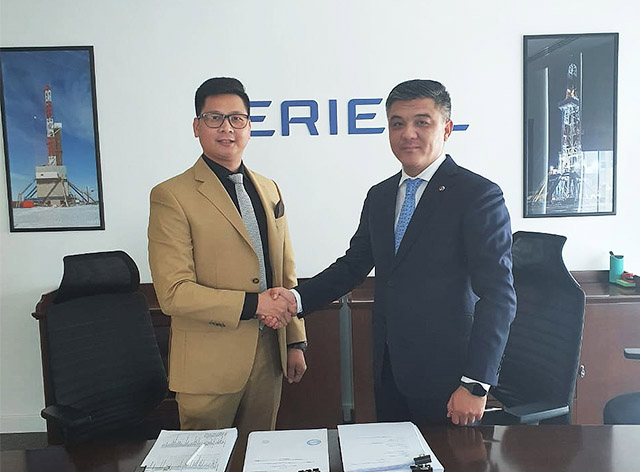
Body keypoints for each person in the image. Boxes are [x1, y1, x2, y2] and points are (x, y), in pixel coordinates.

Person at [268, 79, 516, 426]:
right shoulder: (381, 195)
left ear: (446, 128)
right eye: (397, 123)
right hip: (390, 369)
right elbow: (353, 265)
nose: (408, 133)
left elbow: (499, 295)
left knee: (451, 456)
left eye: (421, 122)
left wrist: (475, 383)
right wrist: (295, 300)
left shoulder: (477, 195)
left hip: (450, 377)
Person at [148, 77, 307, 437]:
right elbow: (173, 293)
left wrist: (295, 341)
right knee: (205, 459)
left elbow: (285, 271)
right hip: (208, 365)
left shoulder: (268, 188)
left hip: (269, 354)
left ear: (249, 126)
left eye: (237, 118)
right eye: (214, 118)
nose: (227, 128)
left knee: (259, 455)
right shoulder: (171, 196)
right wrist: (255, 304)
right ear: (196, 127)